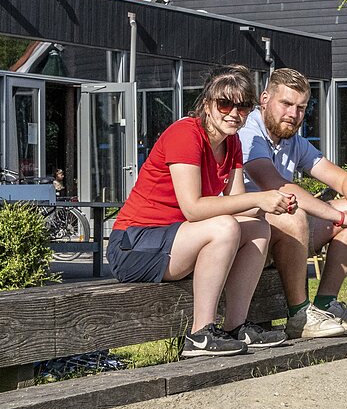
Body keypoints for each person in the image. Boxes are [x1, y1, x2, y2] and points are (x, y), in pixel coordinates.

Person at [107, 65, 295, 357]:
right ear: (207, 104)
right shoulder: (186, 134)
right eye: (225, 103)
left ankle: (236, 326)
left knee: (258, 228)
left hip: (175, 240)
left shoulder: (232, 143)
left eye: (243, 106)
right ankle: (199, 334)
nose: (234, 113)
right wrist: (260, 200)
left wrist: (272, 207)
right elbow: (193, 208)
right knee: (225, 228)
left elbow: (239, 203)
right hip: (133, 245)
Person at [238, 69, 347, 339]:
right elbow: (275, 184)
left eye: (301, 107)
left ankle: (327, 304)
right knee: (293, 213)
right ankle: (299, 315)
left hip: (281, 234)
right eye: (286, 104)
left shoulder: (294, 141)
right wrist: (336, 218)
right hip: (250, 236)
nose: (293, 114)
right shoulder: (248, 133)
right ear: (265, 99)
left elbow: (342, 179)